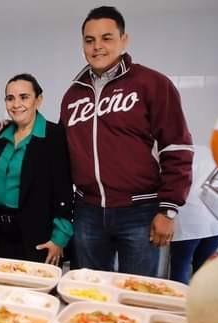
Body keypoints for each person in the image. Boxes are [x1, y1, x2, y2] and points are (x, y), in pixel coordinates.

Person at [61, 6, 193, 276]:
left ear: (124, 40)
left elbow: (176, 146)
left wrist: (168, 210)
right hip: (88, 210)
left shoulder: (152, 83)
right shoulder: (73, 95)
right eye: (89, 40)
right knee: (89, 292)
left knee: (138, 295)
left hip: (140, 211)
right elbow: (60, 148)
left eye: (106, 38)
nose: (97, 46)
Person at [0, 74, 73, 265]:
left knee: (35, 291)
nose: (16, 104)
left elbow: (64, 190)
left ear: (38, 100)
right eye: (10, 98)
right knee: (4, 289)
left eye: (24, 97)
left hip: (38, 235)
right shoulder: (0, 136)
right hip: (2, 232)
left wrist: (60, 238)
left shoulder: (54, 136)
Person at [170, 145, 218, 283]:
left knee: (180, 267)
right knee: (203, 270)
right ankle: (199, 303)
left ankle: (178, 303)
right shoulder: (216, 154)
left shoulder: (176, 154)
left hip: (189, 219)